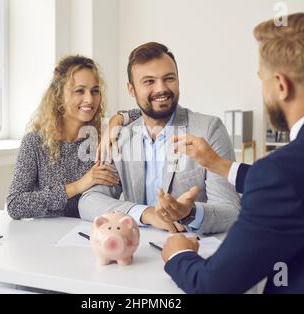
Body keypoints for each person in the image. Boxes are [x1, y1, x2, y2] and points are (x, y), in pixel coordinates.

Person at [163, 13, 304, 293]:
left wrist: (178, 254)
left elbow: (213, 286)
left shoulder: (282, 173)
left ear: (281, 85)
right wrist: (221, 165)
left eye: (261, 79)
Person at [79, 42, 240, 235]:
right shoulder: (121, 137)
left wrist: (190, 213)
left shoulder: (209, 129)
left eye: (169, 78)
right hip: (137, 253)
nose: (161, 89)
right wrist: (146, 214)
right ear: (131, 90)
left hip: (192, 249)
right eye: (149, 81)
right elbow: (89, 201)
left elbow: (230, 211)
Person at [7, 55, 127, 219]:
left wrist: (119, 118)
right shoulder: (35, 142)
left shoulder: (103, 138)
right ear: (58, 96)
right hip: (45, 236)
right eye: (80, 91)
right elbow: (15, 205)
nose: (90, 99)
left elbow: (147, 112)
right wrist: (78, 186)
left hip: (94, 234)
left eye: (95, 91)